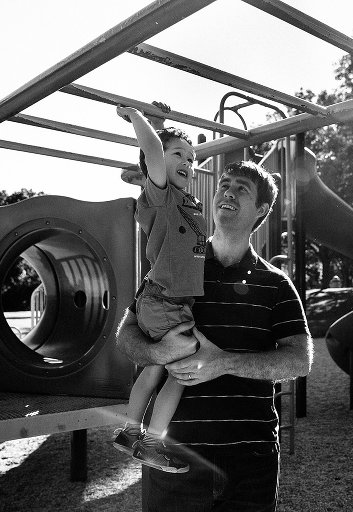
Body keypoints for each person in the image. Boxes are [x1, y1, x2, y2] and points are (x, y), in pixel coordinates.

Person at [116, 160, 313, 511]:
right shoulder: (173, 263)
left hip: (250, 459)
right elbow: (126, 335)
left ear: (261, 210)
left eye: (242, 188)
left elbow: (300, 360)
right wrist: (159, 353)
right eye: (225, 183)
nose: (228, 190)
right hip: (173, 454)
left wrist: (223, 363)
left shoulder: (276, 284)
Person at [112, 105, 207, 473]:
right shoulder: (161, 198)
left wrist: (161, 128)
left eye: (192, 157)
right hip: (164, 301)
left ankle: (128, 431)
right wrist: (139, 118)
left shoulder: (186, 204)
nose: (188, 161)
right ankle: (150, 443)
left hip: (170, 302)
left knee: (154, 371)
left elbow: (159, 151)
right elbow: (152, 152)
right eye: (179, 155)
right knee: (181, 371)